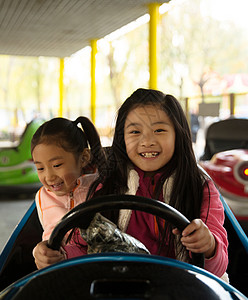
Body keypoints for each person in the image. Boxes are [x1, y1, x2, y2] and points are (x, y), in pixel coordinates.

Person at [36, 89, 228, 281]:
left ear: (178, 134)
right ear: (123, 138)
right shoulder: (107, 184)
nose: (147, 141)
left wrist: (208, 245)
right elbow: (83, 246)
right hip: (119, 286)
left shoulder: (199, 187)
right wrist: (56, 255)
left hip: (179, 287)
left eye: (159, 130)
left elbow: (217, 268)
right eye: (135, 132)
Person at [30, 116, 107, 269]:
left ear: (84, 157)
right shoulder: (42, 197)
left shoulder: (100, 188)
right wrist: (40, 252)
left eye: (57, 165)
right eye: (40, 168)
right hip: (63, 273)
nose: (49, 177)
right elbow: (48, 236)